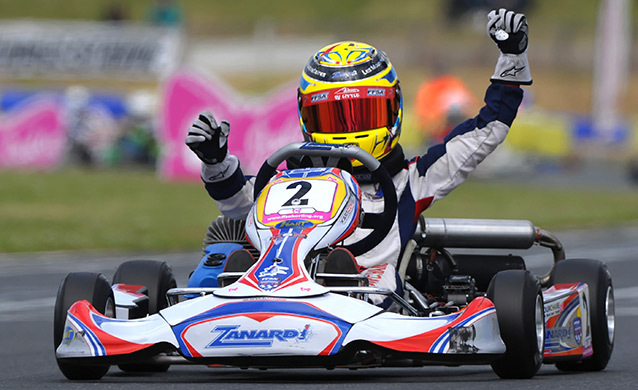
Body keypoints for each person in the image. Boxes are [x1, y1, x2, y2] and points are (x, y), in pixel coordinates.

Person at [185, 9, 532, 308]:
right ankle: (240, 290)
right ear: (308, 118)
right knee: (227, 247)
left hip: (367, 292)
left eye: (362, 113)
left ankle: (339, 280)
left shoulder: (413, 179)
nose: (349, 131)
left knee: (378, 277)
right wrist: (216, 161)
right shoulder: (286, 180)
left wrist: (512, 56)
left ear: (392, 109)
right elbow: (239, 205)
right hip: (278, 284)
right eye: (334, 117)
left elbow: (486, 130)